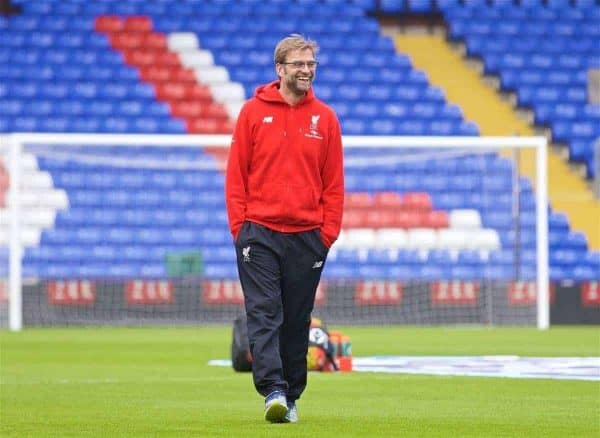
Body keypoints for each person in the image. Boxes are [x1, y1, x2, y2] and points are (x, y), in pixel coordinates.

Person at [225, 34, 344, 423]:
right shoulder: (252, 113)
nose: (306, 70)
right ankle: (272, 390)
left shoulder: (325, 119)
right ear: (280, 69)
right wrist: (240, 228)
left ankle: (291, 394)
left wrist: (326, 234)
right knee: (263, 313)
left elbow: (334, 183)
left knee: (296, 320)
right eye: (299, 64)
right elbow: (236, 175)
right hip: (258, 232)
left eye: (311, 64)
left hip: (308, 236)